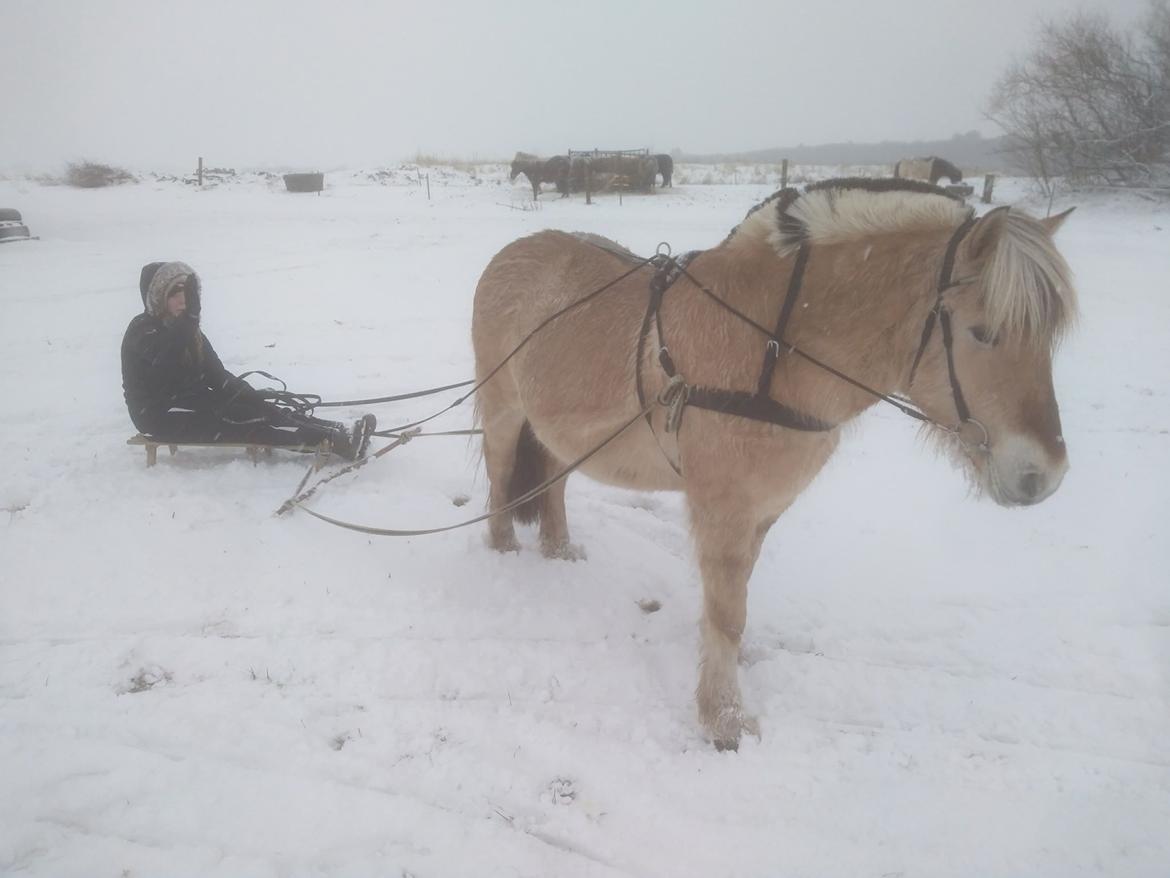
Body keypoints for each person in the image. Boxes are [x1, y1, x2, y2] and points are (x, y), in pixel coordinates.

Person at [121, 261, 376, 460]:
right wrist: (190, 322)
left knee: (260, 409)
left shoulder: (189, 332)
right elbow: (165, 358)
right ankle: (331, 442)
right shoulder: (143, 329)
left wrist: (252, 396)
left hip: (190, 402)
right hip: (158, 415)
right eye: (174, 293)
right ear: (158, 298)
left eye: (186, 292)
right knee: (244, 421)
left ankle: (338, 430)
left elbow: (217, 377)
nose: (183, 300)